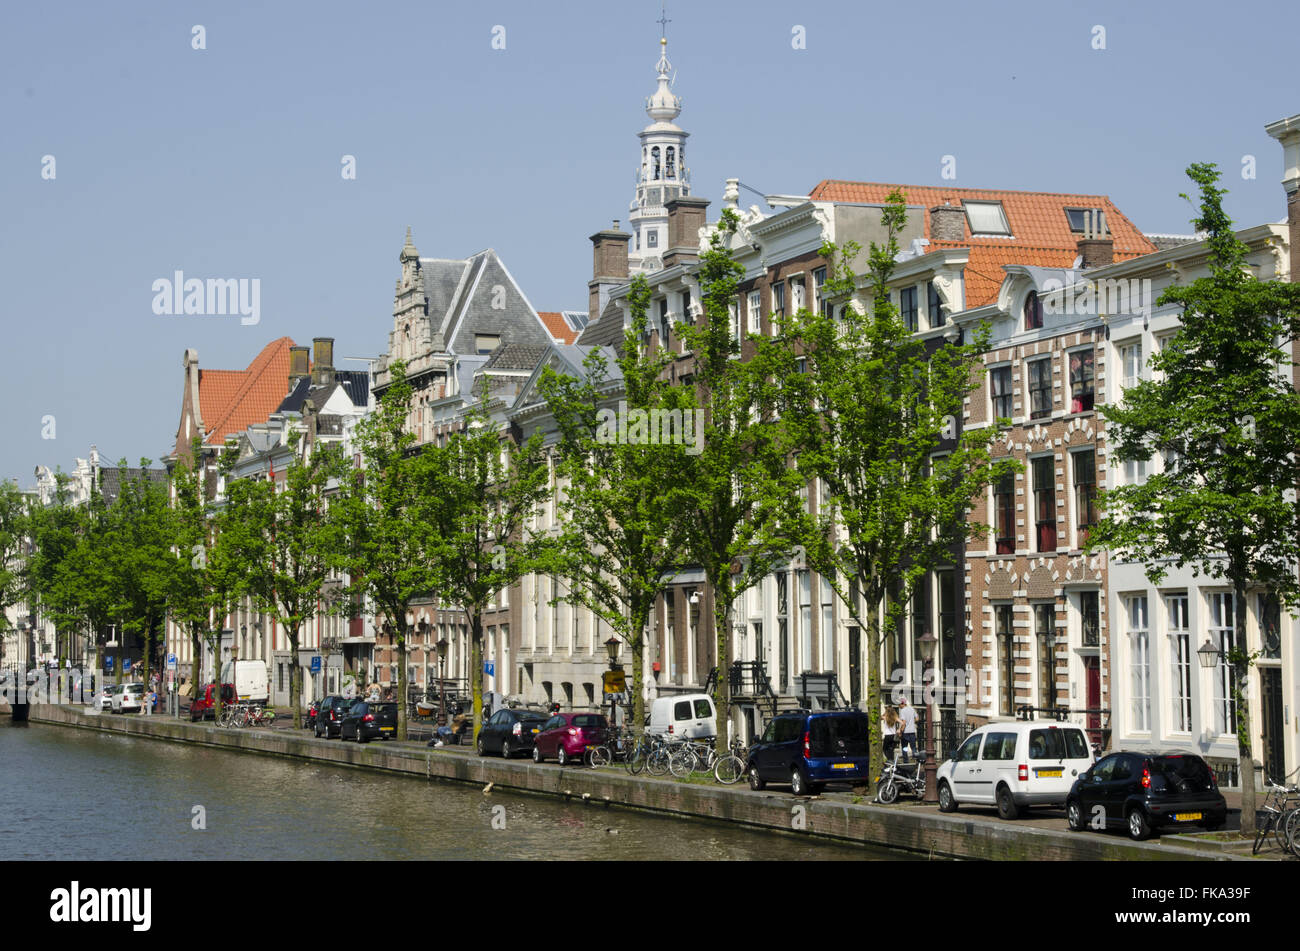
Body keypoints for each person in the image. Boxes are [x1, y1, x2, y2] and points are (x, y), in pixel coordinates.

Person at [897, 697, 918, 762]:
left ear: (902, 704)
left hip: (905, 732)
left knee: (904, 747)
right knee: (913, 747)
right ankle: (916, 761)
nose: (898, 706)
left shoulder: (903, 711)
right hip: (912, 731)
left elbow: (904, 723)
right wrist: (912, 722)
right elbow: (917, 719)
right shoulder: (912, 709)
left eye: (899, 704)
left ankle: (906, 761)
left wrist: (900, 731)